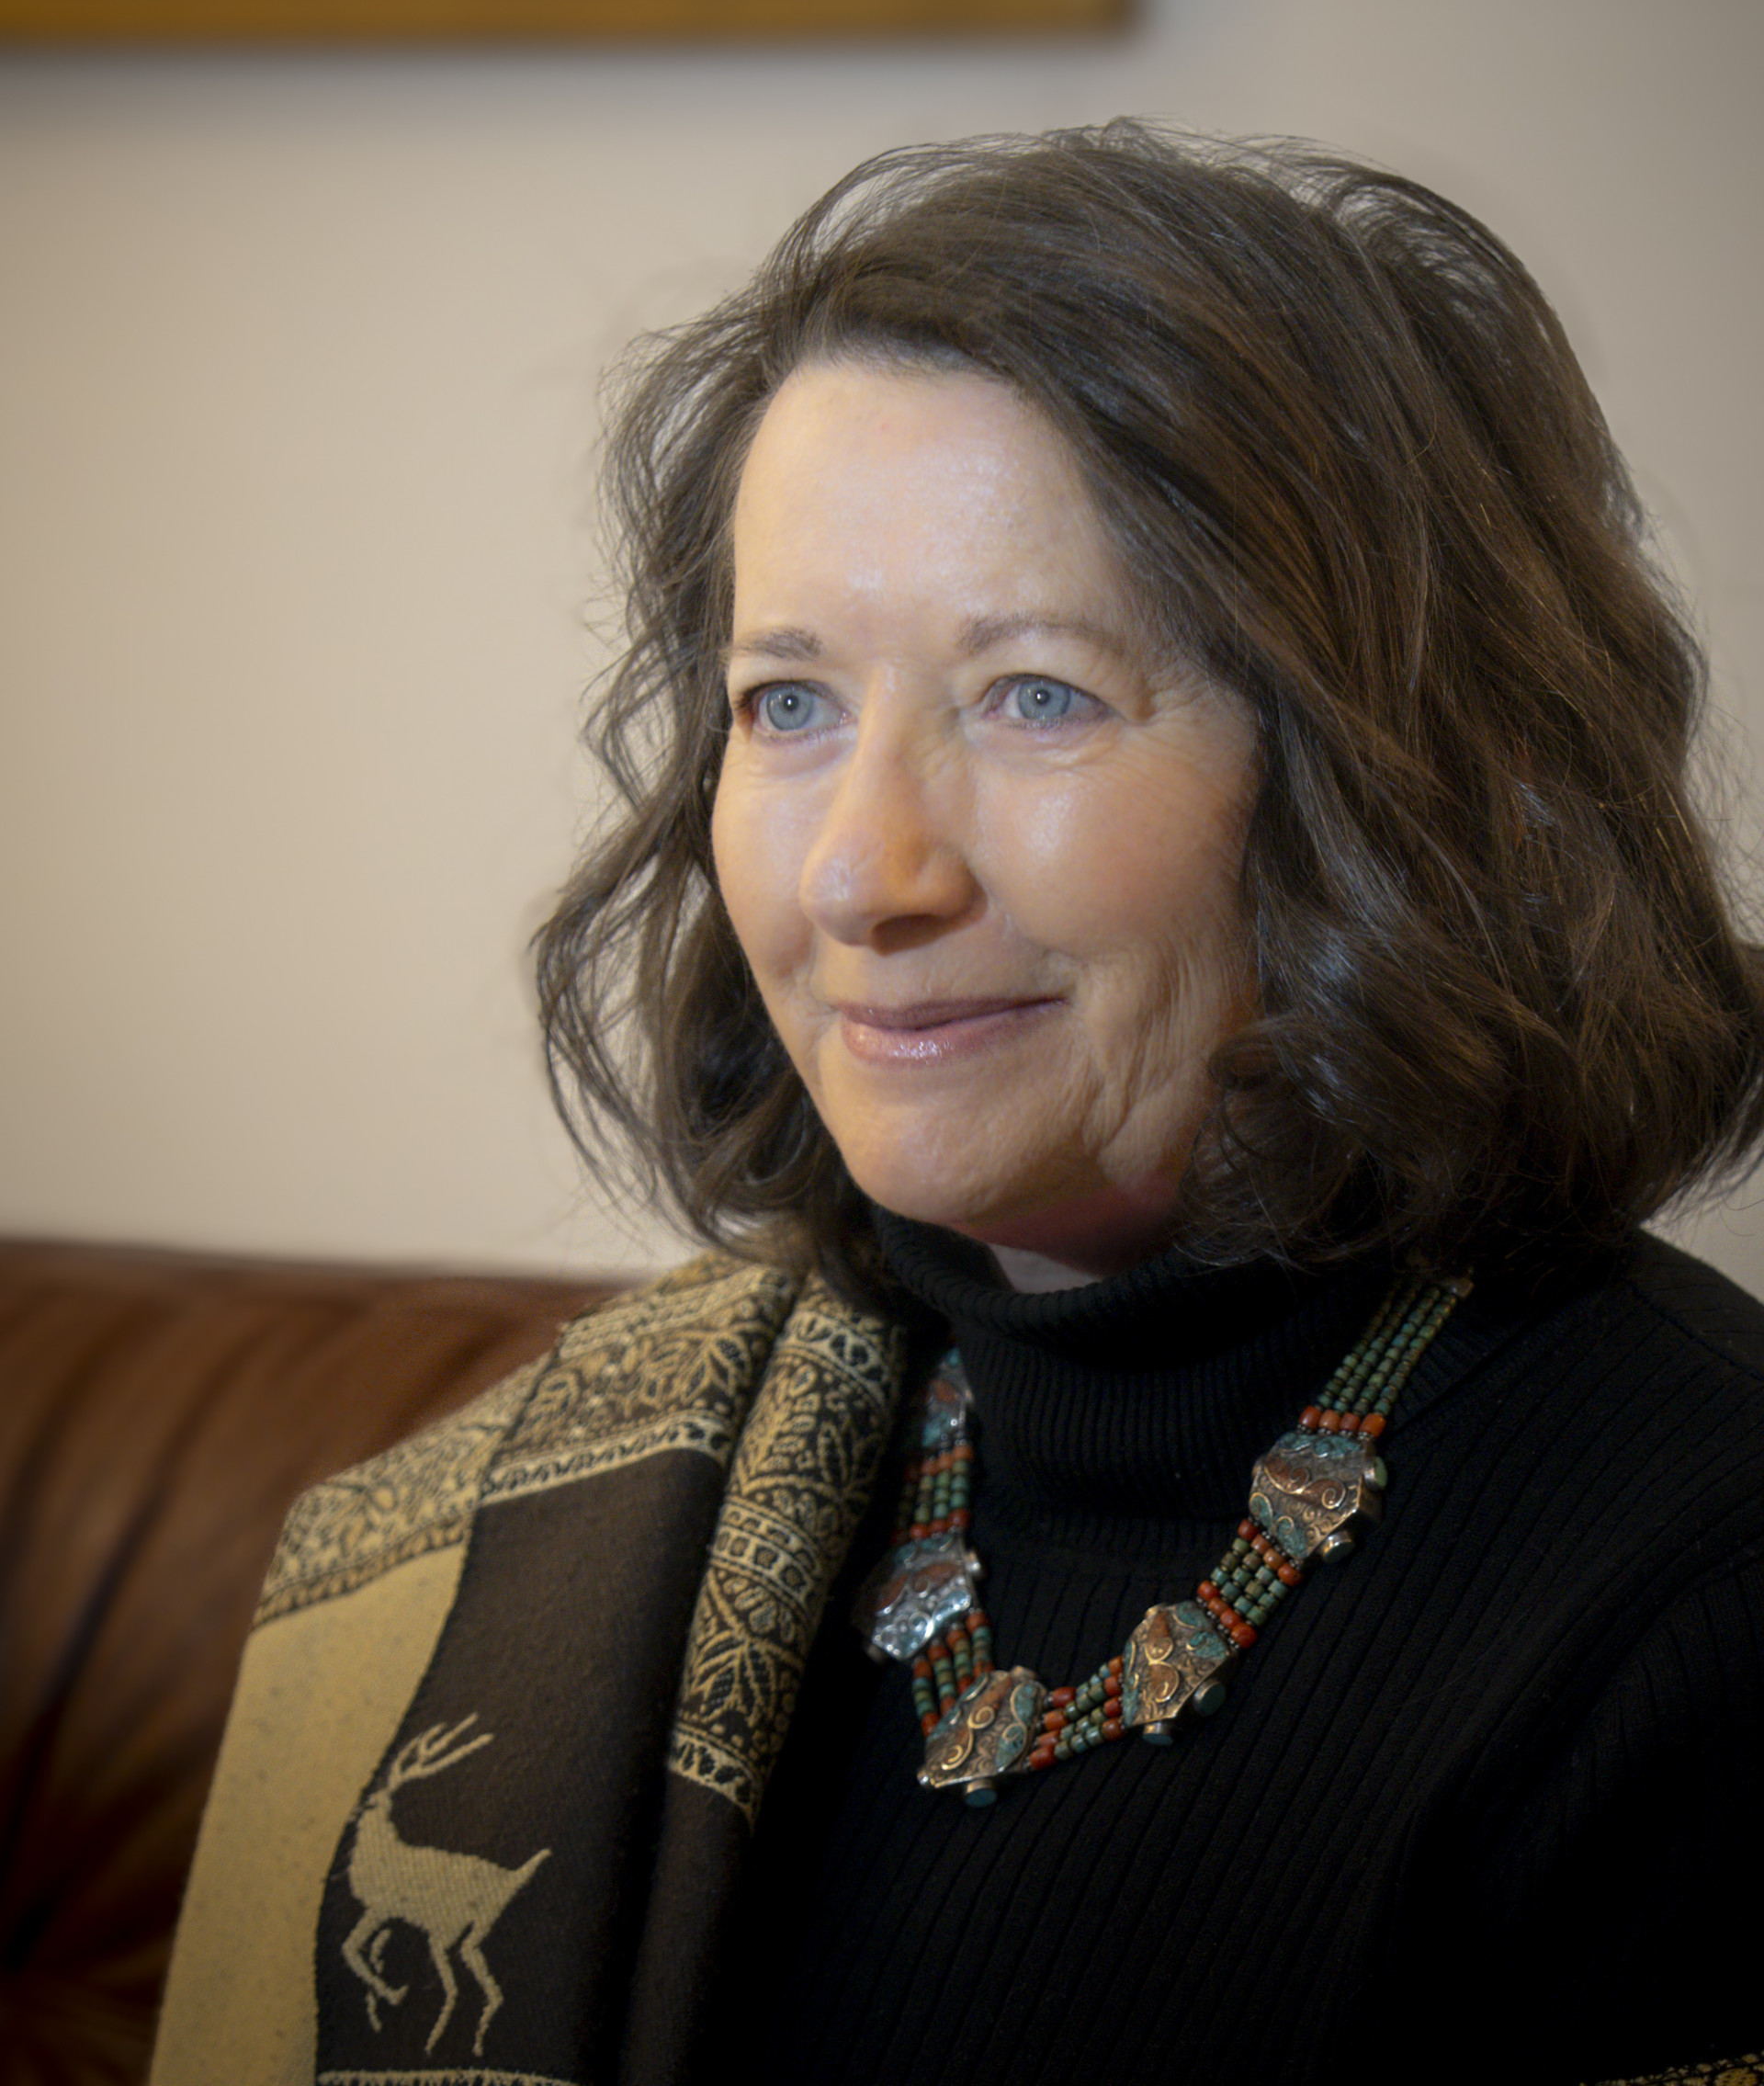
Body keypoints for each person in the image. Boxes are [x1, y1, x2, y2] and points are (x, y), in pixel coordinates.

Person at [152, 128, 1764, 2086]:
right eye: (789, 703)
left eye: (1035, 696)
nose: (861, 874)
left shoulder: (1701, 1585)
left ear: (1393, 779)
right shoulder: (641, 1491)